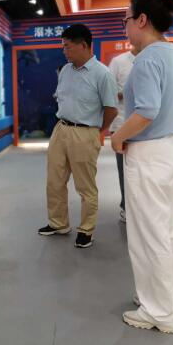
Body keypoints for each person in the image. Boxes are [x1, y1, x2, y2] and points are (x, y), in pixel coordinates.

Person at [111, 0, 173, 334]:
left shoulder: (145, 60)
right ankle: (169, 299)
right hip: (167, 149)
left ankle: (158, 311)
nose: (125, 27)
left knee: (147, 236)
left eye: (126, 20)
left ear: (141, 20)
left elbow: (146, 111)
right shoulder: (171, 55)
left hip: (148, 154)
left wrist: (118, 137)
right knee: (166, 230)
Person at [38, 24, 118, 248]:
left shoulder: (102, 74)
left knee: (85, 186)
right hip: (61, 129)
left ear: (83, 45)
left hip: (85, 132)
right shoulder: (65, 70)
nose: (64, 51)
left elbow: (111, 109)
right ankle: (58, 223)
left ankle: (86, 230)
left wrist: (97, 131)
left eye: (67, 46)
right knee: (54, 181)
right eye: (63, 46)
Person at [108, 46, 138, 223]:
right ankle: (126, 207)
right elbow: (108, 94)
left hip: (146, 126)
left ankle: (140, 208)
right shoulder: (118, 62)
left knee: (142, 171)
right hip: (121, 125)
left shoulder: (152, 59)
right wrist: (126, 92)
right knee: (125, 170)